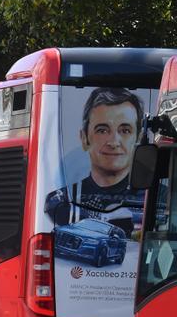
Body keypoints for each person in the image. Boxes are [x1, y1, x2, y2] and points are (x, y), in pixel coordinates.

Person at [44, 87, 147, 235]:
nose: (114, 142)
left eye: (125, 130)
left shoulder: (159, 199)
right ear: (84, 138)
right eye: (102, 130)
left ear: (138, 138)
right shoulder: (61, 200)